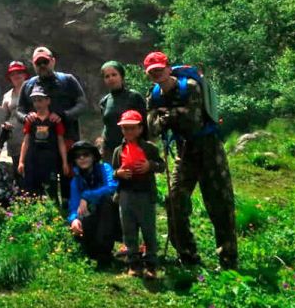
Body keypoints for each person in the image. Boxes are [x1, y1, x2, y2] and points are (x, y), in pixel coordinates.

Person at [144, 51, 238, 270]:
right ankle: (187, 256)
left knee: (220, 204)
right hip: (184, 151)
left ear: (168, 68)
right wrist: (173, 115)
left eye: (159, 68)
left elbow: (193, 122)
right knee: (174, 200)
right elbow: (153, 128)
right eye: (152, 71)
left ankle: (228, 261)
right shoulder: (154, 95)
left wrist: (166, 116)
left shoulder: (190, 87)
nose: (157, 73)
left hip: (209, 149)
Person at [17, 46, 88, 200]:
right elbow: (19, 109)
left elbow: (82, 104)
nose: (42, 65)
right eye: (38, 63)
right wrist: (25, 117)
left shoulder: (68, 80)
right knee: (40, 183)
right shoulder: (28, 85)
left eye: (45, 61)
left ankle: (72, 214)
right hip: (39, 144)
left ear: (53, 61)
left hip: (67, 137)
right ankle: (43, 217)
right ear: (33, 65)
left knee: (69, 178)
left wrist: (64, 115)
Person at [111, 110, 166, 279]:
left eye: (133, 128)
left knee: (148, 230)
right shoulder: (119, 151)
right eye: (125, 128)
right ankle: (133, 264)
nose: (129, 132)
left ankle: (151, 265)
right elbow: (113, 172)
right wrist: (119, 173)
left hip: (145, 195)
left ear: (141, 129)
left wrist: (150, 165)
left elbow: (161, 165)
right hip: (126, 195)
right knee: (129, 230)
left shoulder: (149, 148)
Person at [67, 140, 119, 263]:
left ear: (93, 156)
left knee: (106, 200)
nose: (82, 158)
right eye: (77, 156)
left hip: (109, 215)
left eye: (86, 154)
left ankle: (105, 250)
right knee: (89, 249)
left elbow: (112, 187)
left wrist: (87, 196)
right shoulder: (76, 180)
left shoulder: (105, 168)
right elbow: (74, 205)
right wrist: (74, 219)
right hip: (89, 215)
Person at [17, 85, 70, 201]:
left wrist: (65, 162)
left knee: (51, 188)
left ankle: (54, 213)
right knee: (31, 189)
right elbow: (26, 141)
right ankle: (34, 214)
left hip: (50, 159)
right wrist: (21, 161)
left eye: (40, 100)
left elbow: (61, 142)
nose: (37, 103)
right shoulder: (30, 120)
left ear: (48, 101)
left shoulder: (55, 120)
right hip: (32, 158)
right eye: (35, 100)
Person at [99, 61, 147, 160]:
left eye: (114, 75)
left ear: (121, 76)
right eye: (107, 76)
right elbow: (106, 126)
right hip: (110, 151)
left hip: (134, 148)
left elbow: (145, 124)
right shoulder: (104, 101)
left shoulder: (134, 96)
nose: (111, 78)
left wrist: (145, 147)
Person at [0, 61, 28, 178]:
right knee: (18, 171)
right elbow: (3, 117)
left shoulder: (32, 89)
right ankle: (22, 195)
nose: (16, 76)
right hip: (14, 139)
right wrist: (4, 125)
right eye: (12, 74)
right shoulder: (7, 95)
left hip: (30, 137)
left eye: (19, 72)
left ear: (25, 74)